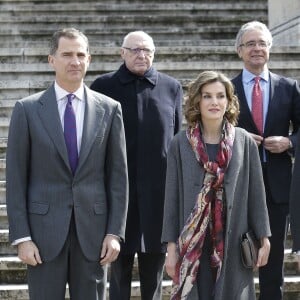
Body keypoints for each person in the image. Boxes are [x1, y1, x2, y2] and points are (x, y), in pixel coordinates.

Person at [6, 28, 128, 300]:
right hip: (42, 236)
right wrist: (22, 237)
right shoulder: (27, 110)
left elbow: (118, 177)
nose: (75, 61)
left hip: (94, 236)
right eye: (67, 54)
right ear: (52, 60)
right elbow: (15, 179)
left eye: (80, 55)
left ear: (89, 59)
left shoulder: (110, 109)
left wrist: (114, 233)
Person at [161, 70, 271, 299]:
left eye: (220, 96)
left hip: (233, 239)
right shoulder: (179, 144)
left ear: (229, 101)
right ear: (197, 101)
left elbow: (256, 194)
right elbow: (171, 199)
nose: (214, 102)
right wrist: (171, 249)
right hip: (192, 243)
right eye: (207, 96)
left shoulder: (243, 141)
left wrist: (264, 237)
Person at [90, 30, 183, 300]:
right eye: (135, 50)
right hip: (118, 192)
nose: (142, 55)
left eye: (147, 51)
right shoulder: (102, 86)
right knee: (118, 270)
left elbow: (176, 137)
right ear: (122, 53)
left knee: (153, 273)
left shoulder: (171, 87)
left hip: (157, 194)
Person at [232, 21, 300, 300]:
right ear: (239, 51)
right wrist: (237, 136)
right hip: (237, 184)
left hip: (277, 186)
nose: (257, 48)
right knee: (235, 259)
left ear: (270, 48)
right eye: (250, 44)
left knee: (272, 264)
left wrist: (289, 142)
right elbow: (208, 130)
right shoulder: (226, 88)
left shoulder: (289, 87)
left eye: (262, 43)